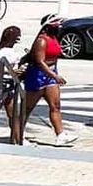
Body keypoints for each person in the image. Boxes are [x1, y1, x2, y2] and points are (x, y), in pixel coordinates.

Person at [23, 15, 75, 146]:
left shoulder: (53, 38)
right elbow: (40, 62)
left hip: (51, 75)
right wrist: (54, 76)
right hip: (37, 75)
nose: (59, 27)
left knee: (55, 106)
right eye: (56, 25)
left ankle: (61, 135)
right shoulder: (41, 41)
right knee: (27, 108)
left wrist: (54, 75)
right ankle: (18, 134)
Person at [0, 25, 24, 140]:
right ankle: (18, 138)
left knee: (14, 115)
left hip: (9, 86)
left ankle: (18, 138)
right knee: (13, 115)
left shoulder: (9, 52)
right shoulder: (4, 53)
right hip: (4, 85)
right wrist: (13, 70)